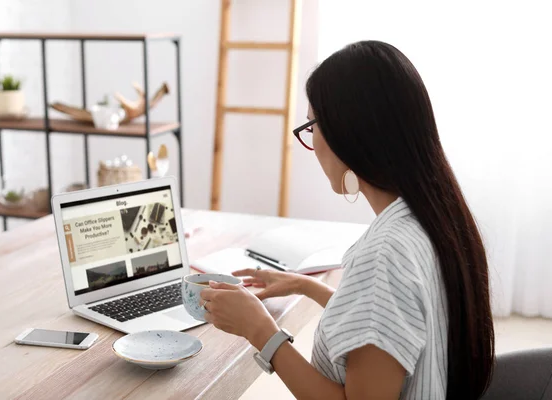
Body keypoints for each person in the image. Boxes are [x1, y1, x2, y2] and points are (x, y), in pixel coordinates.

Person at [199, 40, 495, 400]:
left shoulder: (386, 255)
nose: (312, 141)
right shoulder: (434, 218)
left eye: (311, 125)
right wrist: (306, 286)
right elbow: (392, 327)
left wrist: (260, 330)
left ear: (349, 130)